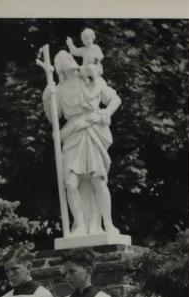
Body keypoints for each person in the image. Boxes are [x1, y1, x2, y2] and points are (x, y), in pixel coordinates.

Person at [43, 49, 122, 237]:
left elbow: (114, 99)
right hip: (72, 134)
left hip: (93, 129)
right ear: (60, 68)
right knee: (70, 183)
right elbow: (54, 118)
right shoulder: (59, 90)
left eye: (70, 56)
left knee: (98, 179)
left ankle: (108, 224)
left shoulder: (89, 79)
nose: (70, 59)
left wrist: (106, 113)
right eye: (64, 59)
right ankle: (79, 226)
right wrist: (47, 97)